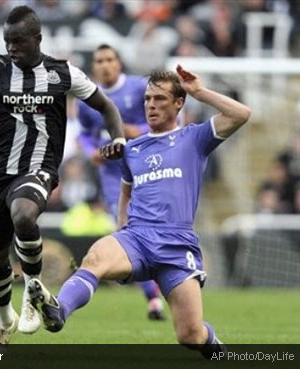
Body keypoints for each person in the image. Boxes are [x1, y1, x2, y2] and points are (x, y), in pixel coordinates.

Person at [29, 66, 251, 357]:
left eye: (159, 99)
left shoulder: (194, 139)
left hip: (176, 244)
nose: (151, 105)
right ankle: (58, 310)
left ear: (178, 103)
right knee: (95, 258)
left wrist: (199, 91)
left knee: (190, 334)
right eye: (147, 99)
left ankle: (220, 351)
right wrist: (122, 230)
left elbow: (241, 114)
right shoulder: (132, 150)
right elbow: (126, 193)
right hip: (137, 238)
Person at [0, 5, 125, 345]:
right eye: (7, 41)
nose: (11, 48)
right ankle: (4, 321)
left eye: (18, 41)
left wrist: (117, 137)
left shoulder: (63, 73)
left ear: (37, 39)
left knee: (24, 214)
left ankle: (33, 289)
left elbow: (106, 105)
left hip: (38, 168)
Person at [78, 44, 165, 320]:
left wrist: (136, 130)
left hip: (147, 168)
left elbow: (167, 120)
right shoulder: (87, 98)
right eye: (99, 60)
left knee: (154, 230)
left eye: (109, 59)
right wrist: (90, 149)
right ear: (94, 66)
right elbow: (83, 133)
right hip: (114, 175)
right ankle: (153, 298)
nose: (104, 65)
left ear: (119, 63)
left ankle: (165, 283)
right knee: (129, 232)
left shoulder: (139, 88)